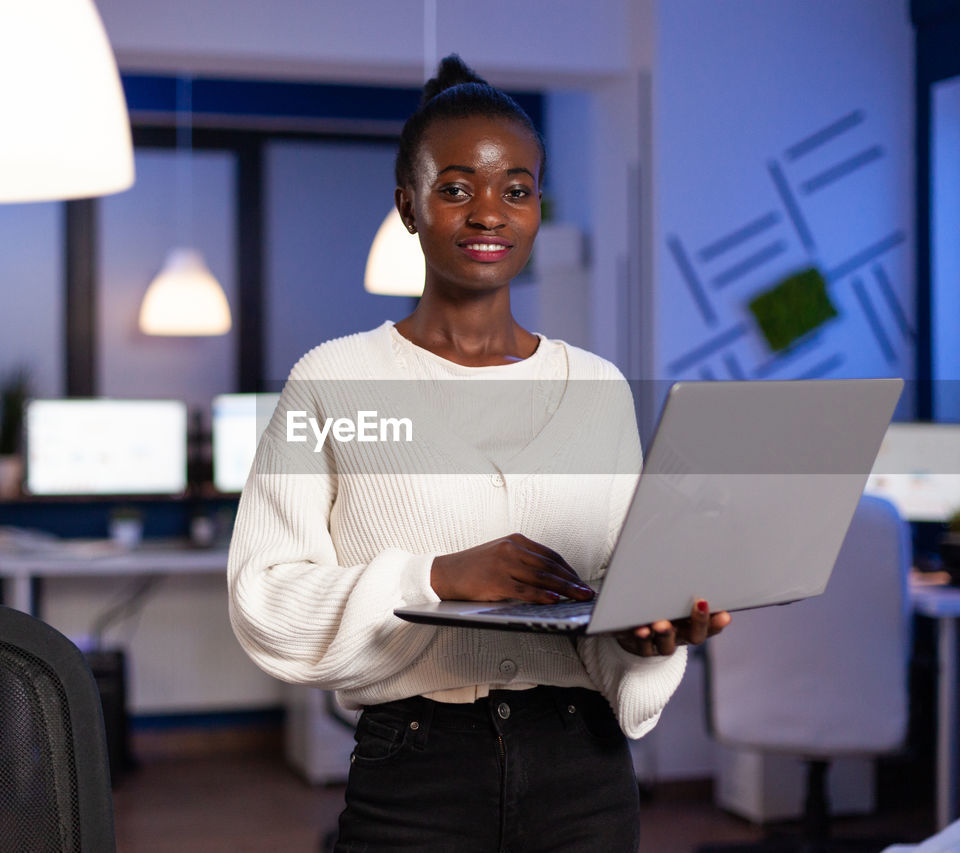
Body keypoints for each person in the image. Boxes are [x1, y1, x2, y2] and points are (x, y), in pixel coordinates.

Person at [228, 54, 731, 851]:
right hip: (416, 772)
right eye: (457, 187)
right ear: (409, 206)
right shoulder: (333, 380)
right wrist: (436, 576)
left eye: (517, 190)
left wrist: (647, 634)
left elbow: (614, 591)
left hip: (586, 773)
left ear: (537, 207)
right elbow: (264, 598)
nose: (489, 213)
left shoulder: (598, 387)